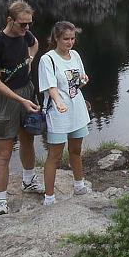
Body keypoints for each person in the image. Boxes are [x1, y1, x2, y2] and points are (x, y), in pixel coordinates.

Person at [0, 0, 44, 216]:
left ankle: (28, 180)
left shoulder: (25, 35)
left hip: (26, 91)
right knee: (4, 152)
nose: (27, 28)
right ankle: (1, 202)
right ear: (10, 20)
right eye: (22, 24)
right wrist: (20, 100)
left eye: (29, 24)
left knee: (27, 139)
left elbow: (35, 43)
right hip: (4, 99)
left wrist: (30, 59)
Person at [38, 21, 91, 206]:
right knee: (55, 155)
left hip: (77, 110)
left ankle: (79, 185)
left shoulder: (75, 55)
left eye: (72, 38)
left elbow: (76, 84)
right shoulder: (48, 59)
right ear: (56, 38)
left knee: (76, 150)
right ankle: (49, 197)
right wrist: (59, 102)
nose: (70, 42)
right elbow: (51, 87)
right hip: (58, 113)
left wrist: (83, 80)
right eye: (66, 39)